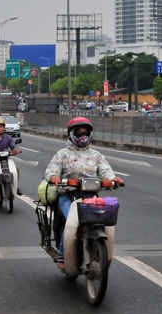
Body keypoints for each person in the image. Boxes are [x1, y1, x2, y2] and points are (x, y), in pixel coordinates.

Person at [44, 116, 124, 271]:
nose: (83, 136)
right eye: (79, 133)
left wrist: (113, 180)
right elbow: (51, 171)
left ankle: (103, 253)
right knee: (71, 222)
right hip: (68, 195)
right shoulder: (63, 154)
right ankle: (62, 255)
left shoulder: (97, 155)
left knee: (104, 222)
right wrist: (55, 177)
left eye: (85, 133)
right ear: (71, 134)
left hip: (90, 196)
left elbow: (106, 171)